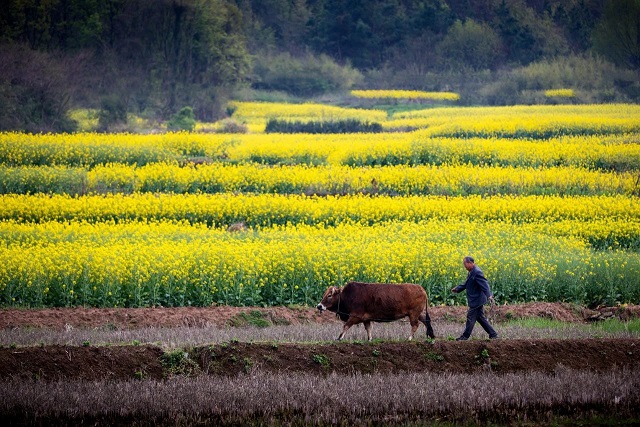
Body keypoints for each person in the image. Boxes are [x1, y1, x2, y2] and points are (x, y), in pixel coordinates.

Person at [451, 256, 498, 340]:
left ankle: (465, 337)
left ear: (470, 263)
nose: (464, 266)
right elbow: (466, 284)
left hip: (477, 300)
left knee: (470, 317)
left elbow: (485, 284)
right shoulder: (471, 272)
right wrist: (458, 289)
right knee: (480, 318)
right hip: (476, 300)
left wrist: (489, 295)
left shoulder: (477, 272)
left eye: (465, 264)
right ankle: (493, 334)